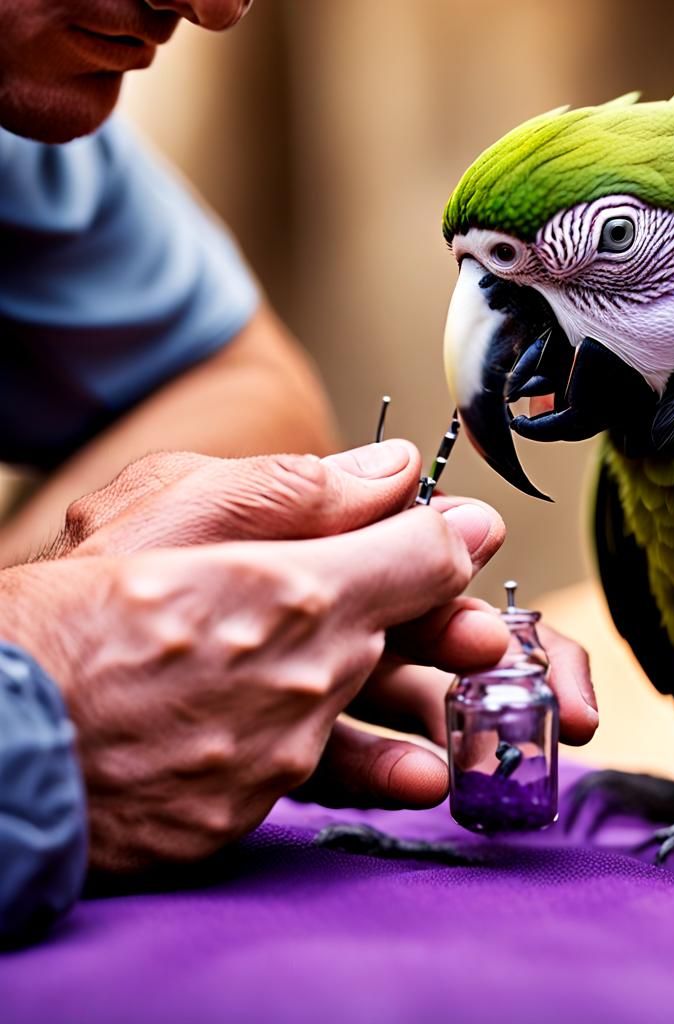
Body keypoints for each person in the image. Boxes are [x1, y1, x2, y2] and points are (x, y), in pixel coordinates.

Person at [0, 0, 599, 941]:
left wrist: (115, 609)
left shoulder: (27, 131)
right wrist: (31, 700)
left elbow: (240, 379)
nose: (219, 7)